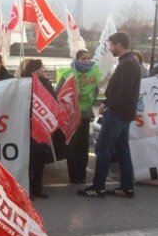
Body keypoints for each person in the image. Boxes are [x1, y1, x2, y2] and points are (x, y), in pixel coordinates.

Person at [78, 32, 141, 198]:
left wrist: (109, 105)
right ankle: (127, 187)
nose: (110, 48)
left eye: (112, 45)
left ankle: (98, 186)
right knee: (122, 149)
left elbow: (124, 92)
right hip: (124, 113)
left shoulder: (128, 63)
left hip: (118, 113)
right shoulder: (129, 62)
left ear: (119, 44)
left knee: (102, 148)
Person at [55, 49, 102, 184]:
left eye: (88, 58)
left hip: (86, 113)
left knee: (83, 146)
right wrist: (72, 94)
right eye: (83, 59)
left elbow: (96, 91)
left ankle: (82, 175)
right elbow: (58, 93)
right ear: (77, 59)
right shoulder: (69, 73)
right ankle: (74, 175)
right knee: (73, 146)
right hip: (71, 115)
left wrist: (91, 101)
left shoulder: (94, 72)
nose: (87, 61)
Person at [20, 58, 54, 199]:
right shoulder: (23, 83)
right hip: (27, 125)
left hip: (42, 126)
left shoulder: (46, 83)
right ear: (34, 70)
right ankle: (27, 189)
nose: (44, 69)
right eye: (42, 67)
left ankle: (38, 187)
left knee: (40, 157)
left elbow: (53, 100)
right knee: (28, 158)